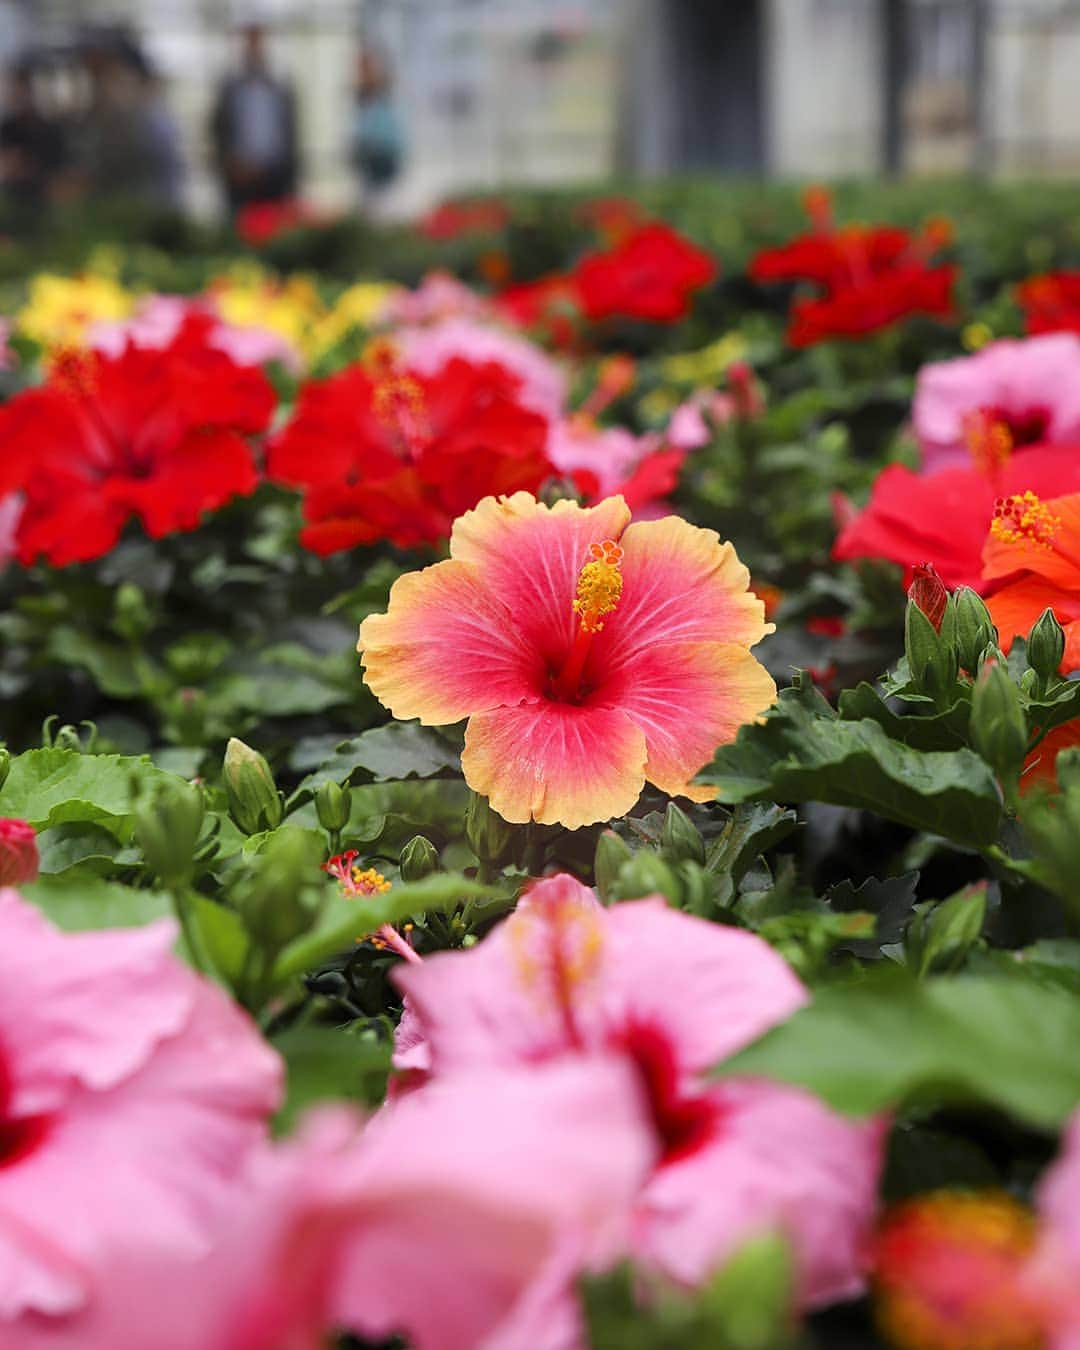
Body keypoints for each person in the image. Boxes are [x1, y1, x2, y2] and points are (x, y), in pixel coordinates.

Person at [210, 24, 298, 216]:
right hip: (239, 175)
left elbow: (289, 134)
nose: (254, 49)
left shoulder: (279, 88)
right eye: (250, 43)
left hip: (274, 175)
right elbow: (219, 130)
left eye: (258, 43)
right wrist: (231, 164)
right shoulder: (230, 89)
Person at [0, 61, 66, 219]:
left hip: (44, 203)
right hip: (12, 201)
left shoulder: (50, 129)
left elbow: (60, 169)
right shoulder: (7, 129)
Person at [350, 46, 404, 210]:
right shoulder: (361, 102)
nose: (362, 76)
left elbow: (391, 143)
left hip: (387, 178)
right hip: (367, 178)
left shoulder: (388, 103)